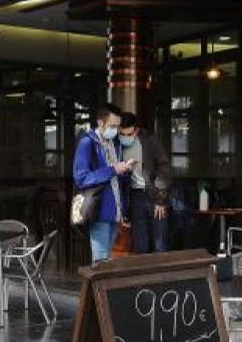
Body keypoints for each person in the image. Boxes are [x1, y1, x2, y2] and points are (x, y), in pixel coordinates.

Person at [73, 103, 134, 263]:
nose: (115, 130)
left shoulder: (114, 143)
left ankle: (96, 289)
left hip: (115, 211)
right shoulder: (87, 143)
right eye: (112, 126)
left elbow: (116, 176)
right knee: (100, 262)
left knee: (106, 261)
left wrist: (125, 168)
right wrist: (113, 169)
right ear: (100, 122)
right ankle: (95, 289)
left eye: (117, 126)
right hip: (99, 210)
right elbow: (81, 178)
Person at [117, 113, 172, 254]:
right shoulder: (117, 144)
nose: (125, 137)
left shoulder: (150, 140)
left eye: (128, 134)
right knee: (140, 244)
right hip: (135, 196)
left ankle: (160, 276)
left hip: (154, 194)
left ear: (136, 130)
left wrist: (160, 199)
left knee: (160, 243)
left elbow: (164, 168)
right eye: (122, 134)